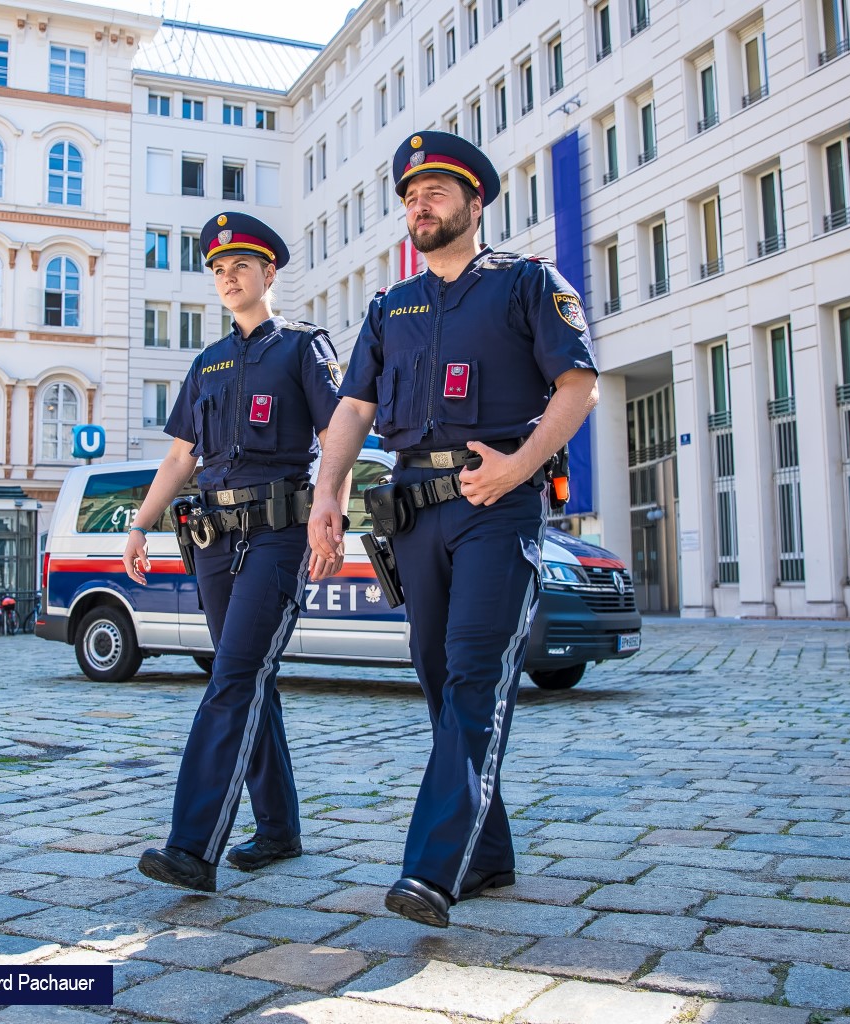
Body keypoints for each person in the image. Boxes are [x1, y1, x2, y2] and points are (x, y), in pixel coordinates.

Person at [309, 131, 599, 927]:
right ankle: (489, 852)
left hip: (493, 504)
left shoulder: (526, 285)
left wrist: (522, 463)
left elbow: (578, 385)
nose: (419, 205)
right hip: (411, 512)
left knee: (474, 672)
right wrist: (326, 495)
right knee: (440, 680)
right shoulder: (389, 306)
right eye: (409, 195)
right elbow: (353, 410)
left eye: (435, 191)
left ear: (476, 202)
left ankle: (432, 870)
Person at [127, 212, 349, 893]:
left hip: (278, 536)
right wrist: (140, 524)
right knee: (249, 678)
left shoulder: (303, 348)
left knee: (232, 678)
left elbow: (339, 431)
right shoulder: (208, 362)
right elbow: (180, 455)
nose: (228, 278)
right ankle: (278, 828)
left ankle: (191, 845)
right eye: (219, 271)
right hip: (215, 545)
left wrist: (328, 511)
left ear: (268, 273)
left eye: (240, 268)